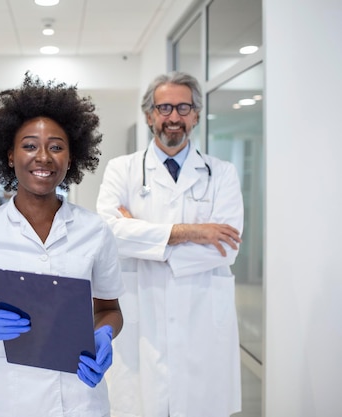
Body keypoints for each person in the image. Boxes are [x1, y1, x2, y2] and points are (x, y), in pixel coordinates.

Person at [0, 73, 125, 417]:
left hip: (81, 397)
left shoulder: (95, 230)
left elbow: (110, 309)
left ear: (72, 158)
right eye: (29, 145)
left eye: (56, 147)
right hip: (10, 398)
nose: (43, 157)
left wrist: (104, 333)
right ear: (11, 156)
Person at [96, 71, 244, 417]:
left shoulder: (222, 174)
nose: (173, 117)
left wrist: (141, 234)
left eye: (183, 107)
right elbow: (108, 233)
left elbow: (228, 247)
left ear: (195, 115)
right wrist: (192, 232)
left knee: (200, 405)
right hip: (141, 313)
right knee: (141, 404)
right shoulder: (123, 170)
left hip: (202, 315)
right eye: (164, 107)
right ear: (149, 115)